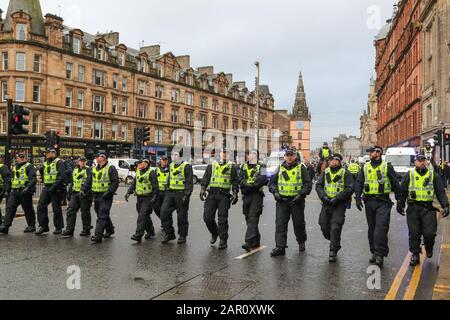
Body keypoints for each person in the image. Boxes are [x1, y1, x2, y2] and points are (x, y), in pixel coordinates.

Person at [397, 154, 450, 266]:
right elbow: (403, 191)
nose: (421, 162)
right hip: (413, 208)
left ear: (426, 162)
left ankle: (429, 247)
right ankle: (415, 254)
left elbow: (440, 192)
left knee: (430, 233)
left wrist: (445, 205)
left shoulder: (433, 175)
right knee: (414, 233)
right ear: (415, 162)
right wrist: (400, 205)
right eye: (419, 160)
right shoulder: (409, 174)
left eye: (423, 160)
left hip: (428, 209)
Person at [355, 146, 401, 267]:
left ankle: (380, 254)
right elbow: (359, 182)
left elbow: (395, 184)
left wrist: (400, 201)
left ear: (378, 153)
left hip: (383, 202)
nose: (370, 154)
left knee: (381, 228)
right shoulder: (365, 166)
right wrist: (357, 197)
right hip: (369, 202)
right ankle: (374, 252)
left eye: (372, 152)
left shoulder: (387, 166)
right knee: (372, 228)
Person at [269, 148, 313, 257]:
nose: (289, 157)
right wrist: (275, 193)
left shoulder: (301, 168)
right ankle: (280, 246)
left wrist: (301, 194)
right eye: (287, 155)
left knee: (298, 224)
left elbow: (308, 184)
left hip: (296, 201)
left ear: (294, 157)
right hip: (282, 201)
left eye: (291, 155)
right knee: (280, 225)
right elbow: (271, 183)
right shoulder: (278, 168)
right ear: (284, 157)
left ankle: (301, 241)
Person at [316, 154, 354, 262]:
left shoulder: (345, 173)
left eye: (336, 160)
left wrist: (337, 198)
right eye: (332, 159)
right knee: (323, 225)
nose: (334, 161)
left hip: (339, 204)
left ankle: (332, 251)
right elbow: (318, 186)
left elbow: (349, 188)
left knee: (335, 227)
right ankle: (335, 241)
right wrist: (323, 197)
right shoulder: (326, 172)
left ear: (340, 162)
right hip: (326, 203)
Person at [200, 149, 239, 250]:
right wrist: (203, 189)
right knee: (207, 217)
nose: (225, 154)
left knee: (222, 219)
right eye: (223, 152)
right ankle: (214, 233)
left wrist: (235, 193)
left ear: (229, 155)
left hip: (224, 196)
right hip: (212, 194)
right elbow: (205, 179)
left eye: (227, 153)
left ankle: (223, 240)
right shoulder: (211, 165)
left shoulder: (232, 166)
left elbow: (235, 182)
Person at [160, 151, 194, 244]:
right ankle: (169, 233)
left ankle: (182, 236)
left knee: (182, 216)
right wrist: (167, 187)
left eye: (175, 155)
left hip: (181, 194)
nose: (173, 157)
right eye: (172, 155)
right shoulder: (171, 165)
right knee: (163, 213)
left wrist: (187, 195)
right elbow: (169, 177)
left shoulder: (186, 166)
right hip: (170, 193)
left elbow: (189, 182)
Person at [88, 153, 119, 244]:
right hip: (97, 195)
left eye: (98, 157)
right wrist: (83, 189)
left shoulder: (110, 168)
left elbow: (115, 182)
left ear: (103, 158)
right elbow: (89, 180)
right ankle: (110, 229)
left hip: (106, 195)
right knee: (100, 213)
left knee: (102, 214)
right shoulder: (94, 168)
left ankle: (98, 235)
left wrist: (109, 192)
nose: (96, 158)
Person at [239, 149, 267, 252]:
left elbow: (263, 179)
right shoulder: (243, 166)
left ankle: (248, 242)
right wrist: (245, 184)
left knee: (253, 217)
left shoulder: (263, 166)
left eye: (254, 154)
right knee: (248, 218)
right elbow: (240, 179)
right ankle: (256, 240)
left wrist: (250, 186)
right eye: (250, 154)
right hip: (246, 195)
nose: (251, 156)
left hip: (256, 195)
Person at [0, 154, 35, 234]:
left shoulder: (29, 166)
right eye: (19, 157)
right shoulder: (15, 167)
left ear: (26, 158)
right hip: (15, 191)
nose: (21, 159)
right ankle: (5, 226)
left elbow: (33, 178)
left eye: (23, 157)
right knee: (10, 208)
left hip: (25, 191)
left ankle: (31, 226)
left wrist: (28, 188)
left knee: (28, 209)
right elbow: (10, 180)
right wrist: (7, 190)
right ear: (17, 159)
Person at [126, 159, 159, 243]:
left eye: (141, 163)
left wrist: (154, 197)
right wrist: (128, 192)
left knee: (142, 216)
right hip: (139, 198)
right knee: (145, 216)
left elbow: (155, 186)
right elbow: (134, 183)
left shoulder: (151, 172)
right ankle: (151, 231)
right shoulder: (138, 171)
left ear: (146, 164)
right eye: (139, 163)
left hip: (148, 198)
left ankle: (138, 235)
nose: (139, 164)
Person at [36, 148, 66, 235]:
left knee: (56, 208)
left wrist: (54, 187)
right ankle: (43, 226)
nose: (46, 154)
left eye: (48, 153)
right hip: (47, 187)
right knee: (41, 206)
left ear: (53, 153)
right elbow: (42, 171)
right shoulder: (45, 162)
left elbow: (62, 176)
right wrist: (41, 177)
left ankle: (58, 227)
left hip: (56, 188)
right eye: (46, 153)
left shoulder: (59, 162)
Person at [61, 157, 93, 238]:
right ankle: (69, 230)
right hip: (75, 193)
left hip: (85, 194)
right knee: (71, 210)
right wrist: (69, 193)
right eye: (81, 161)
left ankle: (86, 229)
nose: (82, 163)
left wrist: (85, 190)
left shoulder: (89, 170)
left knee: (85, 212)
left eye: (84, 161)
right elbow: (73, 182)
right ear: (78, 162)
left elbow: (90, 181)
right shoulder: (75, 169)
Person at [154, 156, 170, 221]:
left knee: (165, 209)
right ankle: (164, 220)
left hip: (167, 192)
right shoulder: (157, 169)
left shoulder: (170, 169)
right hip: (158, 192)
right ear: (160, 160)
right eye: (163, 160)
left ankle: (165, 223)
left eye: (166, 160)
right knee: (156, 208)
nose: (164, 161)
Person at [0, 158, 11, 227]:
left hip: (1, 188)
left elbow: (7, 179)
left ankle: (1, 224)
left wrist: (6, 190)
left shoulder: (2, 167)